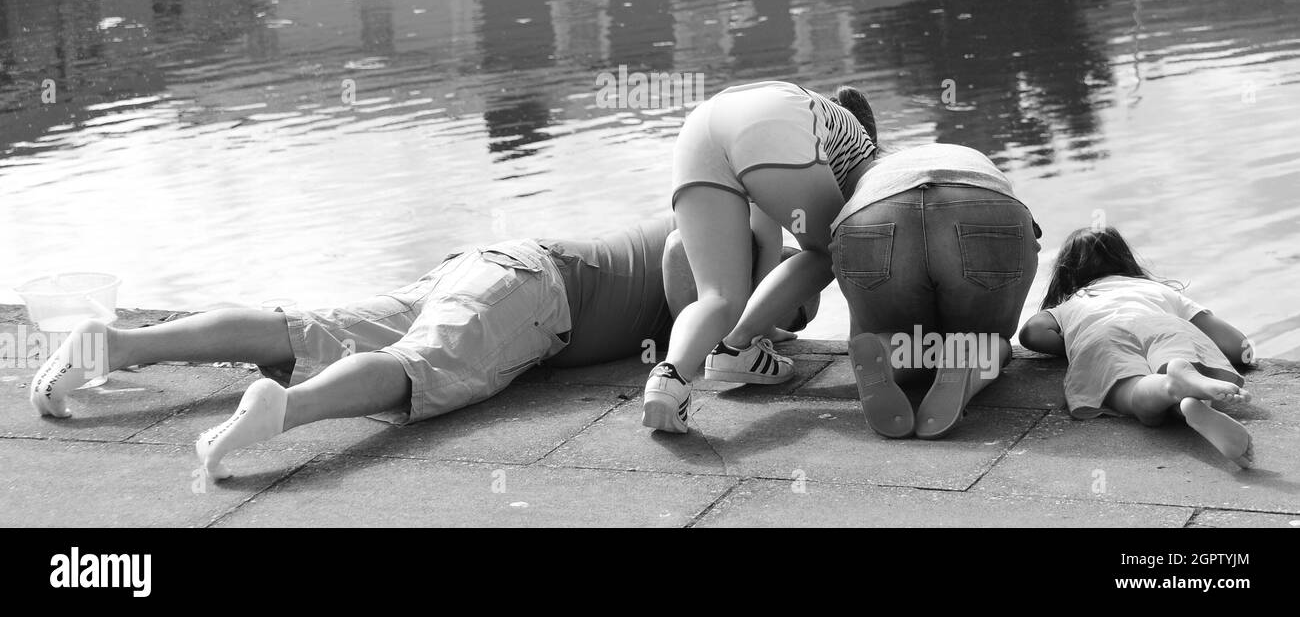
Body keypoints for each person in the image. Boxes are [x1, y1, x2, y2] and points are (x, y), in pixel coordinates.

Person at [29, 216, 816, 480]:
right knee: (423, 372)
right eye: (802, 302)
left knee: (301, 328)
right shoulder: (751, 225)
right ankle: (288, 410)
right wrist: (742, 335)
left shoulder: (723, 195)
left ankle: (121, 344)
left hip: (497, 266)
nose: (800, 315)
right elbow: (685, 263)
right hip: (536, 295)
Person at [643, 81, 877, 433]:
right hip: (772, 123)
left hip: (700, 129)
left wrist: (763, 328)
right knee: (837, 247)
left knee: (718, 296)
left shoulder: (808, 128)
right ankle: (735, 349)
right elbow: (870, 226)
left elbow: (767, 236)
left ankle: (669, 378)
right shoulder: (865, 150)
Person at [829, 143, 1040, 440]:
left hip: (872, 211)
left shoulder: (872, 170)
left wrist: (866, 330)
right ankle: (969, 360)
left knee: (898, 336)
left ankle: (887, 354)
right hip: (980, 201)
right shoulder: (968, 155)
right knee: (991, 342)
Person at [1019, 226, 1254, 468]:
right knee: (1187, 372)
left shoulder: (1075, 300)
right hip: (1165, 325)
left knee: (1135, 393)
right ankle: (1189, 399)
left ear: (1066, 275)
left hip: (1102, 335)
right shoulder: (1158, 291)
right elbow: (1238, 346)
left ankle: (1171, 386)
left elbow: (1031, 333)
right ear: (1126, 259)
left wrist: (1072, 346)